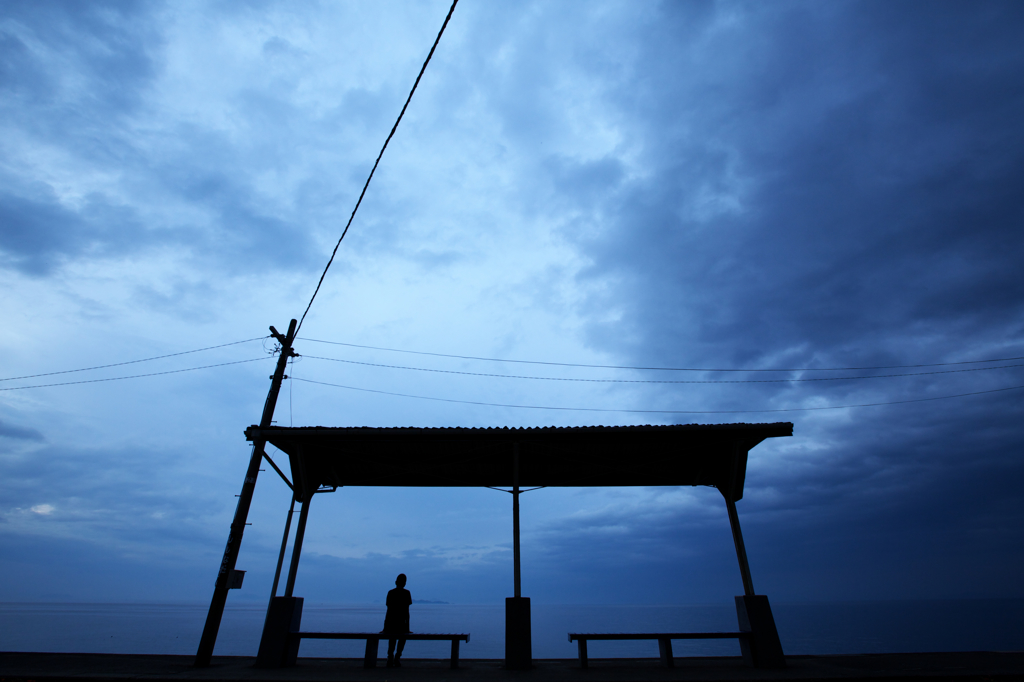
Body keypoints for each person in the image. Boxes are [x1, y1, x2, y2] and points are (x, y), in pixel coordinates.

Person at [382, 573, 411, 668]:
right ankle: (397, 657)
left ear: (395, 582)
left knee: (392, 639)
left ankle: (390, 657)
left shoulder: (391, 592)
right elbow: (407, 612)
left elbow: (389, 610)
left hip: (391, 622)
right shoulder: (406, 593)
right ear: (405, 583)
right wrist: (407, 627)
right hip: (402, 623)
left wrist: (385, 626)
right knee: (402, 638)